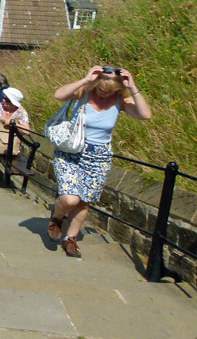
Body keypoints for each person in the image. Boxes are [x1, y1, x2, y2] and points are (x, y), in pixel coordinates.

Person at [47, 66, 151, 258]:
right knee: (70, 198)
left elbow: (145, 114)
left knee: (84, 201)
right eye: (102, 88)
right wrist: (85, 80)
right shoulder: (84, 92)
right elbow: (59, 95)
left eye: (110, 90)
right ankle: (57, 218)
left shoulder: (121, 100)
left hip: (100, 156)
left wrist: (133, 86)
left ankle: (70, 240)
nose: (104, 93)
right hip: (72, 151)